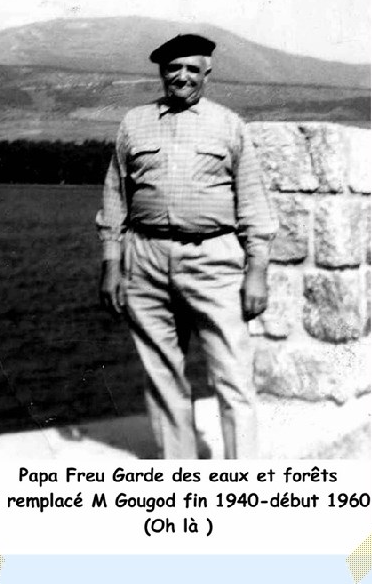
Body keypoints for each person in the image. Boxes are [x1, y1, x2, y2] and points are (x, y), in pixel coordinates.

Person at [97, 33, 278, 459]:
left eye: (192, 69)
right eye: (173, 68)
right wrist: (111, 263)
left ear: (207, 73)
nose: (182, 77)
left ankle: (244, 482)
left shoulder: (229, 125)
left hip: (213, 260)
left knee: (233, 375)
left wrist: (257, 272)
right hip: (145, 258)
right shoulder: (134, 123)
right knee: (162, 375)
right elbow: (115, 195)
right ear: (162, 72)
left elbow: (253, 202)